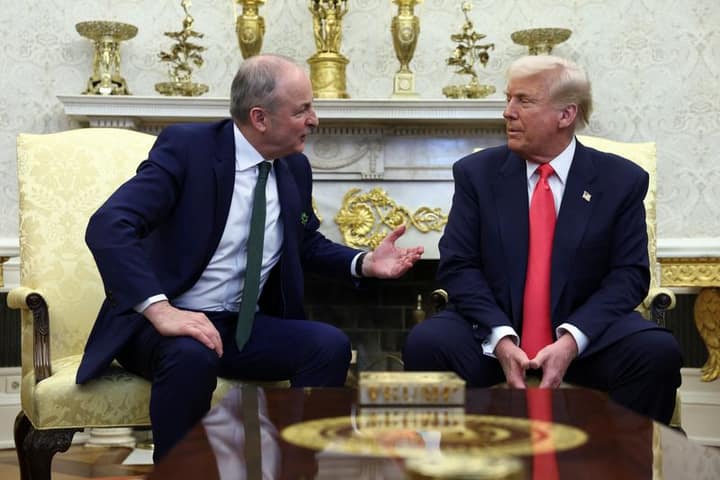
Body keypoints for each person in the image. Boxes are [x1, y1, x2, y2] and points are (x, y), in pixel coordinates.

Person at [77, 54, 424, 461]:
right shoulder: (189, 150)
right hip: (162, 326)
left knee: (328, 346)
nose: (315, 120)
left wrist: (364, 262)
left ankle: (297, 465)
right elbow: (108, 225)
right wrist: (160, 309)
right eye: (302, 110)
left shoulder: (294, 167)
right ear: (260, 118)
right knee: (191, 355)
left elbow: (304, 243)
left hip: (238, 327)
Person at [403, 55, 682, 424]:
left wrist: (571, 340)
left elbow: (629, 276)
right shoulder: (477, 174)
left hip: (587, 339)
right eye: (508, 99)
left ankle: (619, 457)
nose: (507, 112)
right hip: (491, 332)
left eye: (524, 101)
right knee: (426, 343)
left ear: (565, 115)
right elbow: (459, 266)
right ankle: (454, 455)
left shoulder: (620, 181)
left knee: (657, 352)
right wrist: (501, 338)